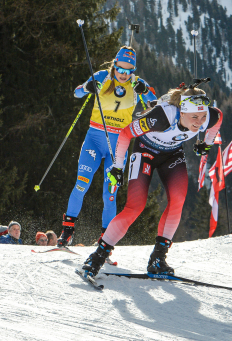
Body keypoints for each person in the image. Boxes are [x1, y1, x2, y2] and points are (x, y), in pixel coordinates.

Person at [81, 84, 223, 278]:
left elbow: (217, 120)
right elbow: (125, 134)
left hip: (172, 154)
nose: (199, 122)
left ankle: (158, 259)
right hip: (145, 152)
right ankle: (97, 257)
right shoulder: (161, 117)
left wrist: (205, 144)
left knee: (178, 200)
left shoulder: (209, 117)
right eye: (194, 117)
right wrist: (117, 167)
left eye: (203, 116)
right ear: (181, 112)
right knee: (135, 206)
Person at [58, 46, 157, 247]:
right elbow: (77, 93)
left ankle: (105, 240)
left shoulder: (138, 83)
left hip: (118, 146)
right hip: (93, 139)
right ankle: (67, 232)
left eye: (129, 71)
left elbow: (155, 106)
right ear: (115, 65)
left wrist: (145, 93)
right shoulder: (103, 76)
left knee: (109, 195)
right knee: (81, 184)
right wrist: (87, 88)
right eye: (121, 69)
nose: (124, 74)